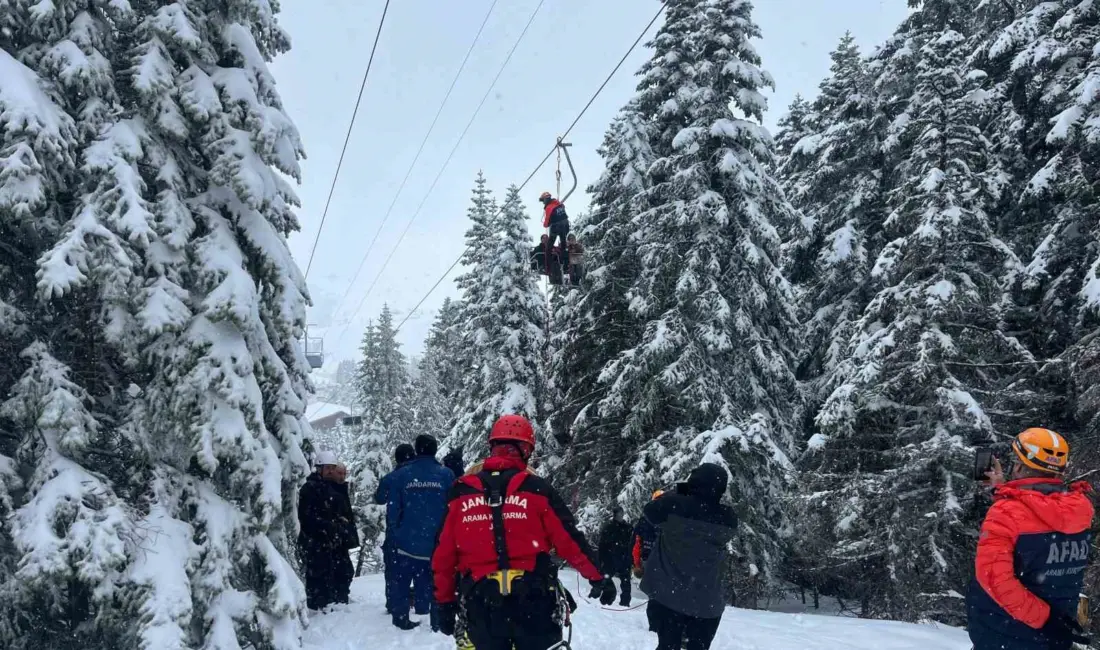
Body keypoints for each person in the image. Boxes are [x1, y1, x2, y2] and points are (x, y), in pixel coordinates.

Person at [433, 414, 617, 650]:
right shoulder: (537, 490)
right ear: (525, 449)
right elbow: (569, 540)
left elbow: (443, 556)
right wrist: (597, 577)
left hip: (482, 603)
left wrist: (444, 604)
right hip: (533, 601)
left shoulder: (461, 493)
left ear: (493, 446)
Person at [966, 428, 1094, 650]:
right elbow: (1040, 513)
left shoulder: (1006, 512)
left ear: (1018, 466)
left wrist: (1044, 619)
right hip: (1055, 633)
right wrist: (1002, 489)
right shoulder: (1080, 508)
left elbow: (995, 579)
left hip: (1006, 633)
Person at [640, 464, 737, 650]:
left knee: (667, 646)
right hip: (708, 603)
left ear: (693, 482)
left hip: (670, 597)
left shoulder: (674, 506)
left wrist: (678, 493)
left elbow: (650, 510)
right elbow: (703, 513)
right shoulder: (728, 517)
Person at [389, 434, 455, 630]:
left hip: (407, 541)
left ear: (417, 450)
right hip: (437, 542)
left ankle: (401, 618)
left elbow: (393, 509)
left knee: (402, 583)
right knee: (438, 583)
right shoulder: (446, 475)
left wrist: (397, 533)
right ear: (435, 450)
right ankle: (437, 623)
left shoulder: (402, 475)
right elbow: (453, 508)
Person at [298, 451, 355, 611]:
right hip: (317, 540)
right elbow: (306, 517)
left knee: (342, 571)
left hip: (334, 539)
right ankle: (318, 605)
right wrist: (327, 525)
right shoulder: (310, 488)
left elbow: (341, 512)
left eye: (332, 468)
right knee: (319, 575)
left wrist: (340, 527)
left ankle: (337, 600)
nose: (330, 471)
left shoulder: (333, 488)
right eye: (327, 468)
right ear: (319, 468)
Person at [375, 443, 416, 615]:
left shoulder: (391, 478)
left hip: (396, 531)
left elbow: (379, 499)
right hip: (420, 530)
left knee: (394, 570)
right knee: (421, 568)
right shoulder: (418, 476)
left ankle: (394, 602)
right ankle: (420, 600)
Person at [633, 489, 665, 632]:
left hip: (650, 561)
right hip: (664, 562)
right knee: (663, 593)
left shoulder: (645, 519)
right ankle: (661, 624)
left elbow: (636, 544)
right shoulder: (670, 518)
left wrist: (637, 563)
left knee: (654, 594)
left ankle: (655, 624)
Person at [331, 463, 359, 605]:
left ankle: (341, 597)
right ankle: (339, 598)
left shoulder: (341, 489)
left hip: (341, 536)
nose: (342, 476)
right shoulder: (332, 490)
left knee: (346, 570)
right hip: (335, 537)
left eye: (344, 473)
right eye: (339, 473)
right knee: (344, 570)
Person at [596, 506, 634, 606]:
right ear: (614, 515)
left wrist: (632, 558)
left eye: (621, 513)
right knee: (606, 579)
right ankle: (605, 600)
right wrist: (600, 560)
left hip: (624, 558)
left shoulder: (628, 527)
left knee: (626, 582)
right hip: (611, 558)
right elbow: (602, 545)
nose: (620, 515)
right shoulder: (609, 527)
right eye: (618, 513)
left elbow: (633, 543)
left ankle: (625, 602)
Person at [540, 191, 569, 264]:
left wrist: (545, 224)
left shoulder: (549, 207)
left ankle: (548, 265)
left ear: (545, 199)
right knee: (563, 242)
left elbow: (547, 221)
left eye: (543, 201)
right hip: (565, 225)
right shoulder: (559, 204)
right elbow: (563, 209)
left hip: (556, 227)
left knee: (549, 247)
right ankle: (562, 261)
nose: (543, 203)